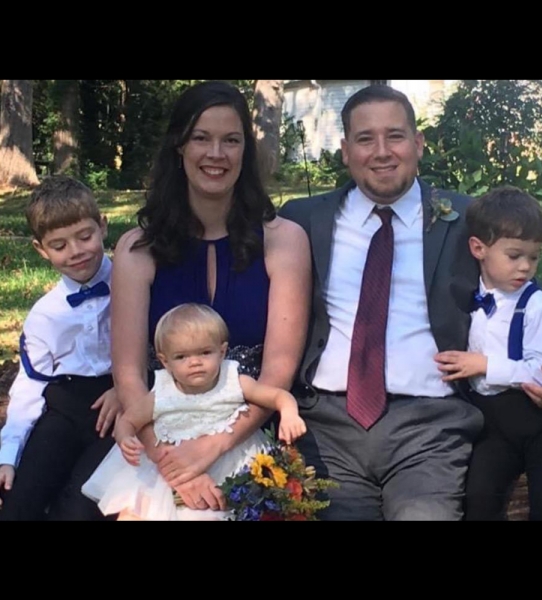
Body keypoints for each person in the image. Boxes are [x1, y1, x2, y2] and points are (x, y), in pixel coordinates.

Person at [278, 84, 542, 521]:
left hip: (430, 426)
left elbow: (532, 294)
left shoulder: (466, 219)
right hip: (327, 428)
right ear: (345, 151)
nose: (382, 152)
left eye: (395, 136)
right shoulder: (304, 220)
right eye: (365, 139)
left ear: (418, 143)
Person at [111, 81, 311, 512]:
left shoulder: (284, 241)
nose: (216, 154)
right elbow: (128, 374)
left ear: (246, 151)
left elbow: (278, 370)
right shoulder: (137, 250)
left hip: (248, 435)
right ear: (179, 147)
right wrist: (173, 464)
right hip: (159, 438)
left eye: (231, 140)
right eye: (201, 138)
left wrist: (215, 445)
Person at [82, 303, 306, 520]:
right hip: (170, 467)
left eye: (205, 352)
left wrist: (289, 413)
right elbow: (129, 420)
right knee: (140, 512)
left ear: (222, 352)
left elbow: (277, 396)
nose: (195, 362)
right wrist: (125, 438)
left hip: (230, 465)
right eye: (182, 357)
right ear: (165, 361)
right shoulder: (163, 393)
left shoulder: (233, 381)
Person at [435, 186, 542, 520]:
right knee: (479, 499)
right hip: (492, 425)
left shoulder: (537, 306)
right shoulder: (469, 297)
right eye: (515, 256)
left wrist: (485, 365)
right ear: (478, 249)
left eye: (534, 257)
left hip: (540, 423)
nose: (525, 267)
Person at [0, 175, 120, 521]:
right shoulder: (45, 315)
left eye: (85, 236)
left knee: (79, 509)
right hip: (64, 409)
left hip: (117, 410)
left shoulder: (133, 284)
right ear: (41, 249)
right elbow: (30, 384)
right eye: (59, 245)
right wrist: (9, 453)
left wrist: (127, 388)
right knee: (19, 499)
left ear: (102, 226)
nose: (76, 251)